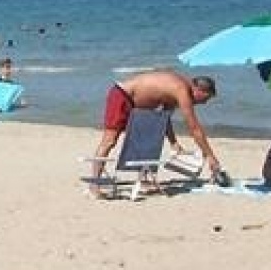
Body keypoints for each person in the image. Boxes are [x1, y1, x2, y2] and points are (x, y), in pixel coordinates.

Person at [88, 70, 222, 191]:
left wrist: (174, 143)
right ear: (199, 90)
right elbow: (194, 128)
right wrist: (210, 156)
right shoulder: (181, 89)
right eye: (205, 98)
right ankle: (94, 184)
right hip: (122, 96)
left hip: (137, 106)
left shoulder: (177, 88)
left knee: (149, 138)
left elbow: (165, 118)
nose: (204, 103)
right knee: (109, 141)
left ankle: (144, 179)